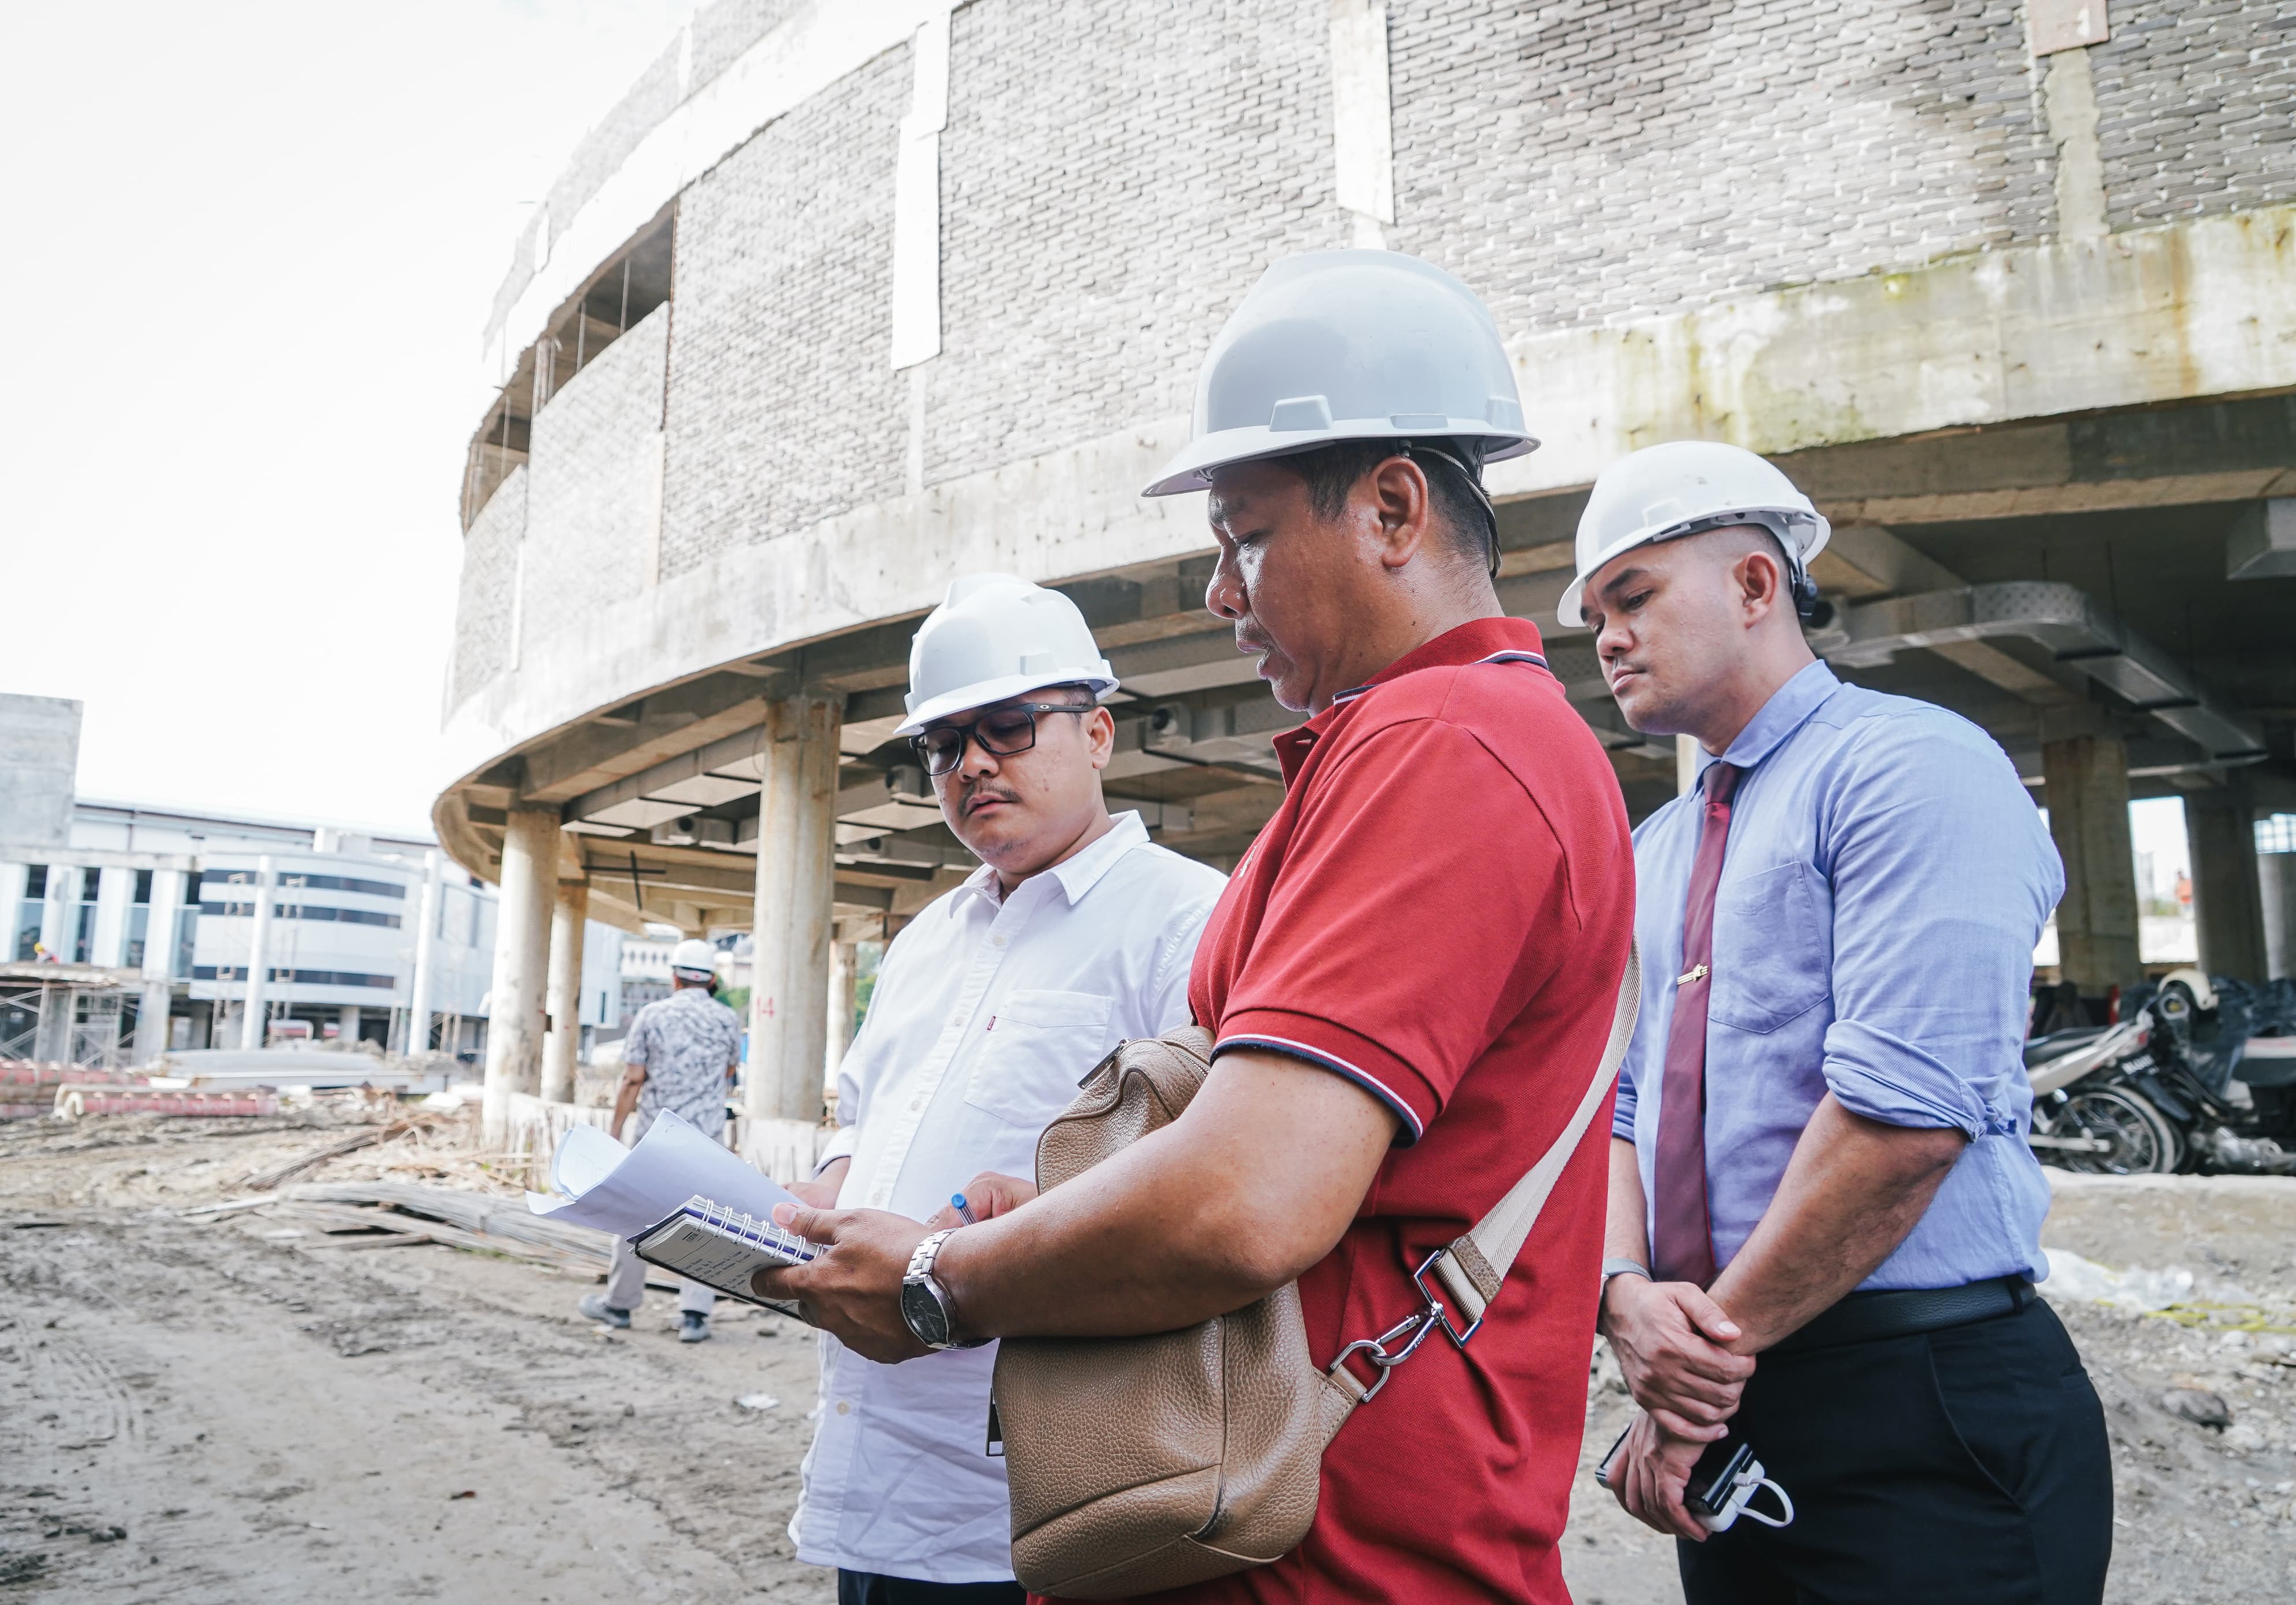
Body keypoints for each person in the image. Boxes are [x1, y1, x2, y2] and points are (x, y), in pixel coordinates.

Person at [758, 250, 1637, 1602]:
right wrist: (1055, 1206)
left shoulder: (1450, 744)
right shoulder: (1404, 749)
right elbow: (1284, 1163)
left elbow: (1246, 1196)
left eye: (1245, 533)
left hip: (1336, 1561)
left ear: (1393, 508)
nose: (1221, 592)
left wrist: (942, 1278)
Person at [1564, 440, 2111, 1602]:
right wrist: (1621, 1296)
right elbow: (1616, 1103)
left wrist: (1695, 1370)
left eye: (1634, 596)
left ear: (1756, 585)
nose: (1605, 636)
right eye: (1596, 614)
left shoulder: (1909, 770)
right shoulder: (1652, 852)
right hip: (1736, 1393)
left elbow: (1902, 1121)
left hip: (1919, 1401)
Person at [784, 574, 1226, 1605]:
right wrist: (815, 1216)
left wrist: (983, 1235)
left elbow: (1205, 1187)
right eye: (944, 744)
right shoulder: (927, 938)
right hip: (877, 1476)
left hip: (1042, 1501)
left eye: (1009, 726)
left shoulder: (1190, 922)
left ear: (1100, 735)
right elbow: (864, 1126)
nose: (974, 761)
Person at [578, 937, 740, 1342]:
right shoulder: (727, 1019)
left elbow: (633, 1077)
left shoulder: (652, 1014)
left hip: (656, 1138)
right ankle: (694, 1317)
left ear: (675, 977)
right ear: (712, 979)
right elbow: (728, 1073)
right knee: (705, 1223)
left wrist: (615, 1132)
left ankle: (619, 1305)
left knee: (635, 1217)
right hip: (706, 1139)